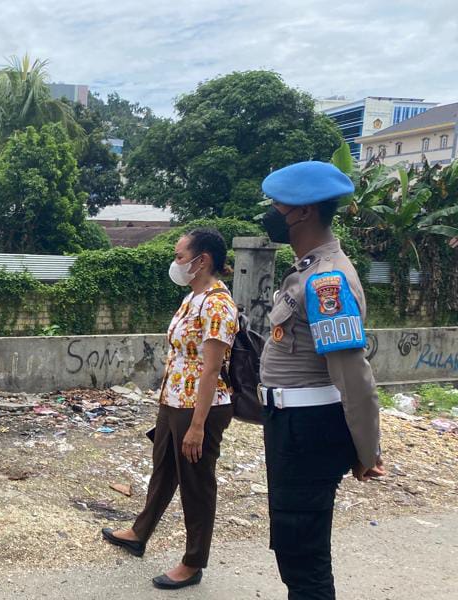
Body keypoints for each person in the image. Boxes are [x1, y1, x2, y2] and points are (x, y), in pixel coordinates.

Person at [259, 161, 385, 599]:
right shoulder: (308, 269)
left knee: (304, 553)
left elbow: (354, 374)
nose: (270, 213)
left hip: (307, 429)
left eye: (277, 206)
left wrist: (367, 449)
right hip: (292, 424)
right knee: (294, 546)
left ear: (303, 212)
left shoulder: (327, 280)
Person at [101, 228, 238, 591]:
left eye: (179, 257)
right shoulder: (193, 298)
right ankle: (138, 533)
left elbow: (211, 369)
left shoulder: (217, 304)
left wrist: (197, 426)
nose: (175, 263)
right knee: (162, 470)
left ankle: (193, 563)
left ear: (202, 260)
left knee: (196, 484)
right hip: (173, 400)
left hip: (199, 407)